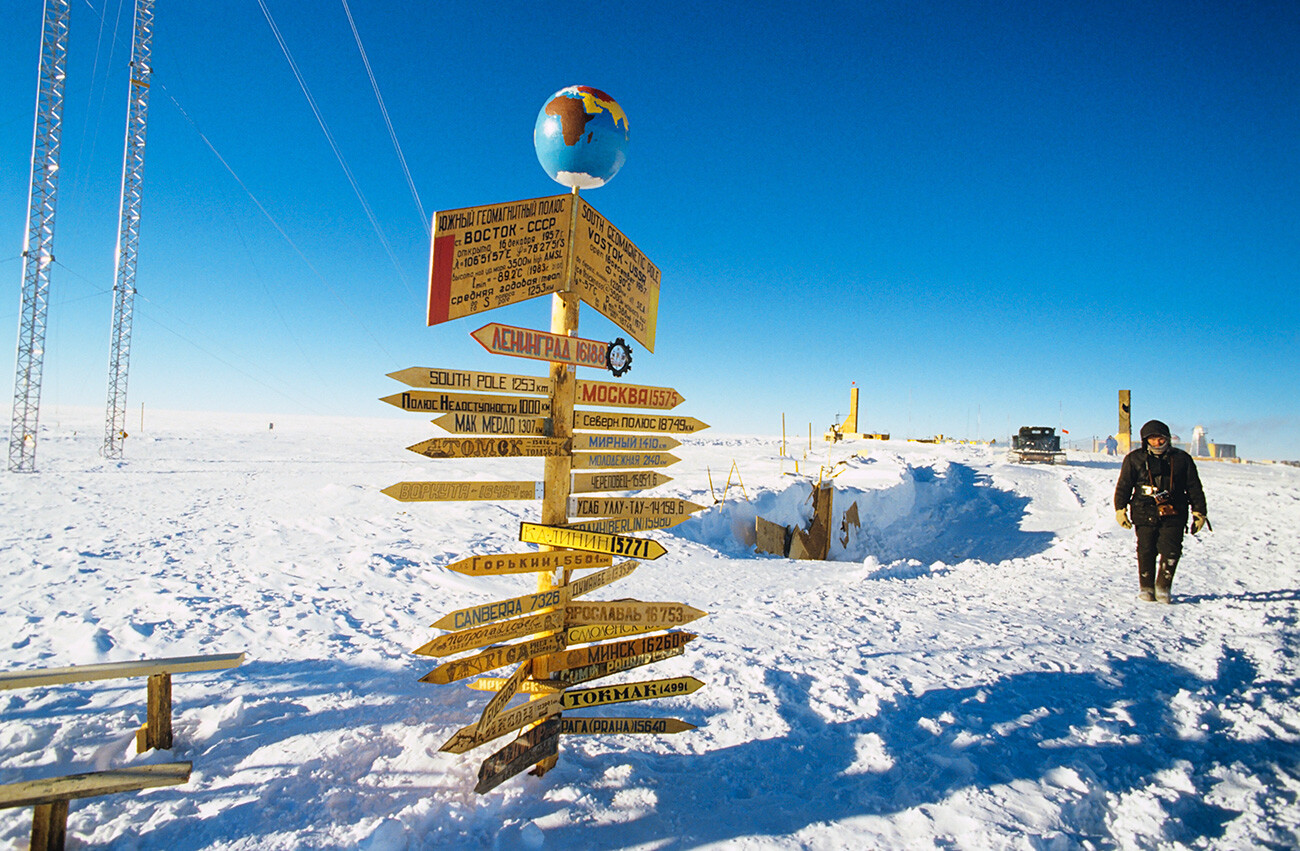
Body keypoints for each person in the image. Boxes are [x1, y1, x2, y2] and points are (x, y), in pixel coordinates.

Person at [1114, 420, 1208, 602]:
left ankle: (1163, 587)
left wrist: (1199, 512)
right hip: (1143, 510)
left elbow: (1194, 487)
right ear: (1145, 440)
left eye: (1161, 438)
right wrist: (1120, 509)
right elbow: (1124, 486)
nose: (1158, 442)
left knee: (1171, 549)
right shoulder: (1134, 459)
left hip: (1175, 511)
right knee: (1146, 549)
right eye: (1153, 439)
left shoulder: (1182, 459)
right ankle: (1147, 588)